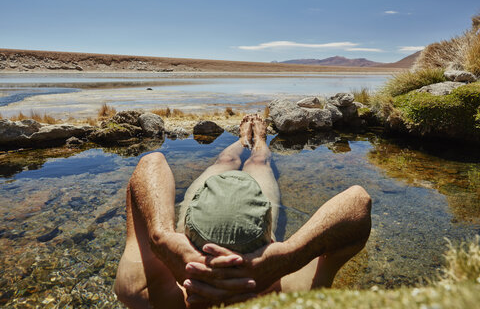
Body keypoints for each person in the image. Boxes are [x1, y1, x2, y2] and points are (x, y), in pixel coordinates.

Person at [114, 115, 372, 309]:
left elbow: (151, 162)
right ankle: (255, 140)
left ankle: (243, 140)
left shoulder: (147, 292)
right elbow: (358, 201)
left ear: (185, 235)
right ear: (269, 242)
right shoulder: (293, 293)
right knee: (258, 161)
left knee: (224, 162)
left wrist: (161, 236)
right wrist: (290, 254)